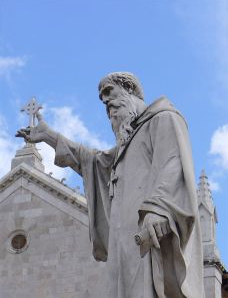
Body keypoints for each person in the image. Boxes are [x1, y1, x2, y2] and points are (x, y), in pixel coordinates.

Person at [16, 72, 205, 298]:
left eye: (109, 92)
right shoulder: (123, 149)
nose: (106, 102)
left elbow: (173, 163)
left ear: (130, 91)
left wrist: (159, 208)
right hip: (121, 243)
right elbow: (91, 161)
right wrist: (51, 137)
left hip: (147, 231)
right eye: (102, 99)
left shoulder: (162, 119)